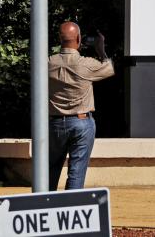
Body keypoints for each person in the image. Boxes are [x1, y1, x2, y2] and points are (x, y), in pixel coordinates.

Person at [48, 21, 115, 190]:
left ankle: (45, 208)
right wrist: (101, 49)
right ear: (78, 39)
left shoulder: (48, 63)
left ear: (59, 39)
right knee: (76, 174)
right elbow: (109, 68)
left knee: (50, 171)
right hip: (82, 123)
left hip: (55, 123)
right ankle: (70, 211)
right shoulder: (87, 64)